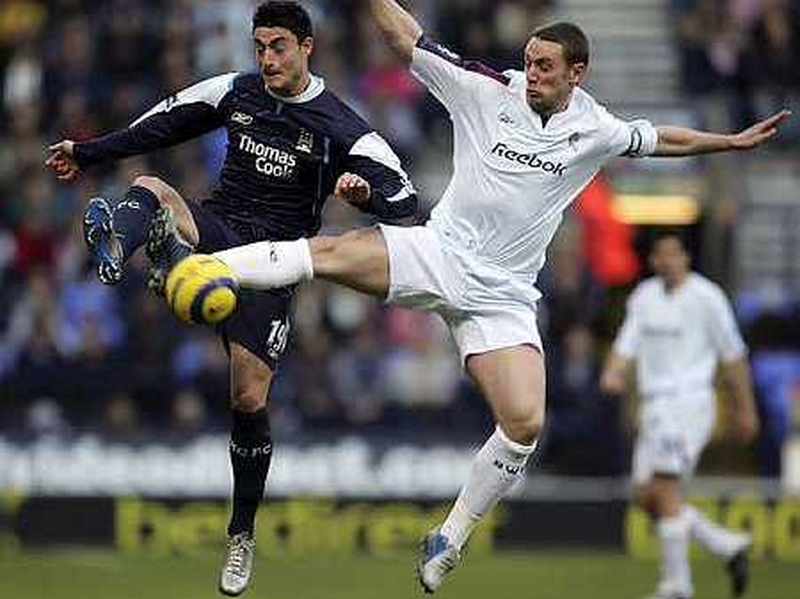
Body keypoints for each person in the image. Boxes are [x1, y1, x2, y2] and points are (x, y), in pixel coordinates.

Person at [167, 0, 788, 593]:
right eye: (530, 60)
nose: (531, 73)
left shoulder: (595, 127)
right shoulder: (487, 88)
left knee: (524, 424)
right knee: (325, 252)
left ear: (578, 73)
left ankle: (450, 537)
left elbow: (659, 139)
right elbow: (404, 37)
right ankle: (201, 269)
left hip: (504, 296)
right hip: (439, 253)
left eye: (545, 66)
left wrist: (728, 142)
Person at [43, 2, 417, 596]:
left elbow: (404, 200)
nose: (266, 59)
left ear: (307, 47)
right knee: (150, 186)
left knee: (247, 395)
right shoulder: (236, 91)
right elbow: (161, 124)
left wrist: (364, 192)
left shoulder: (343, 126)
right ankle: (127, 248)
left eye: (278, 47)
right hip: (218, 230)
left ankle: (240, 534)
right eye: (260, 46)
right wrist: (86, 153)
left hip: (273, 264)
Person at [601, 232, 759, 599]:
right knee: (646, 497)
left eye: (676, 253)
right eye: (662, 255)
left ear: (686, 258)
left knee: (664, 487)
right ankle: (725, 545)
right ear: (654, 261)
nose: (669, 260)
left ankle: (676, 586)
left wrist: (745, 408)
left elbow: (733, 356)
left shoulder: (708, 298)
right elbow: (627, 344)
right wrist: (613, 372)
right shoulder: (644, 297)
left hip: (689, 402)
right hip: (655, 406)